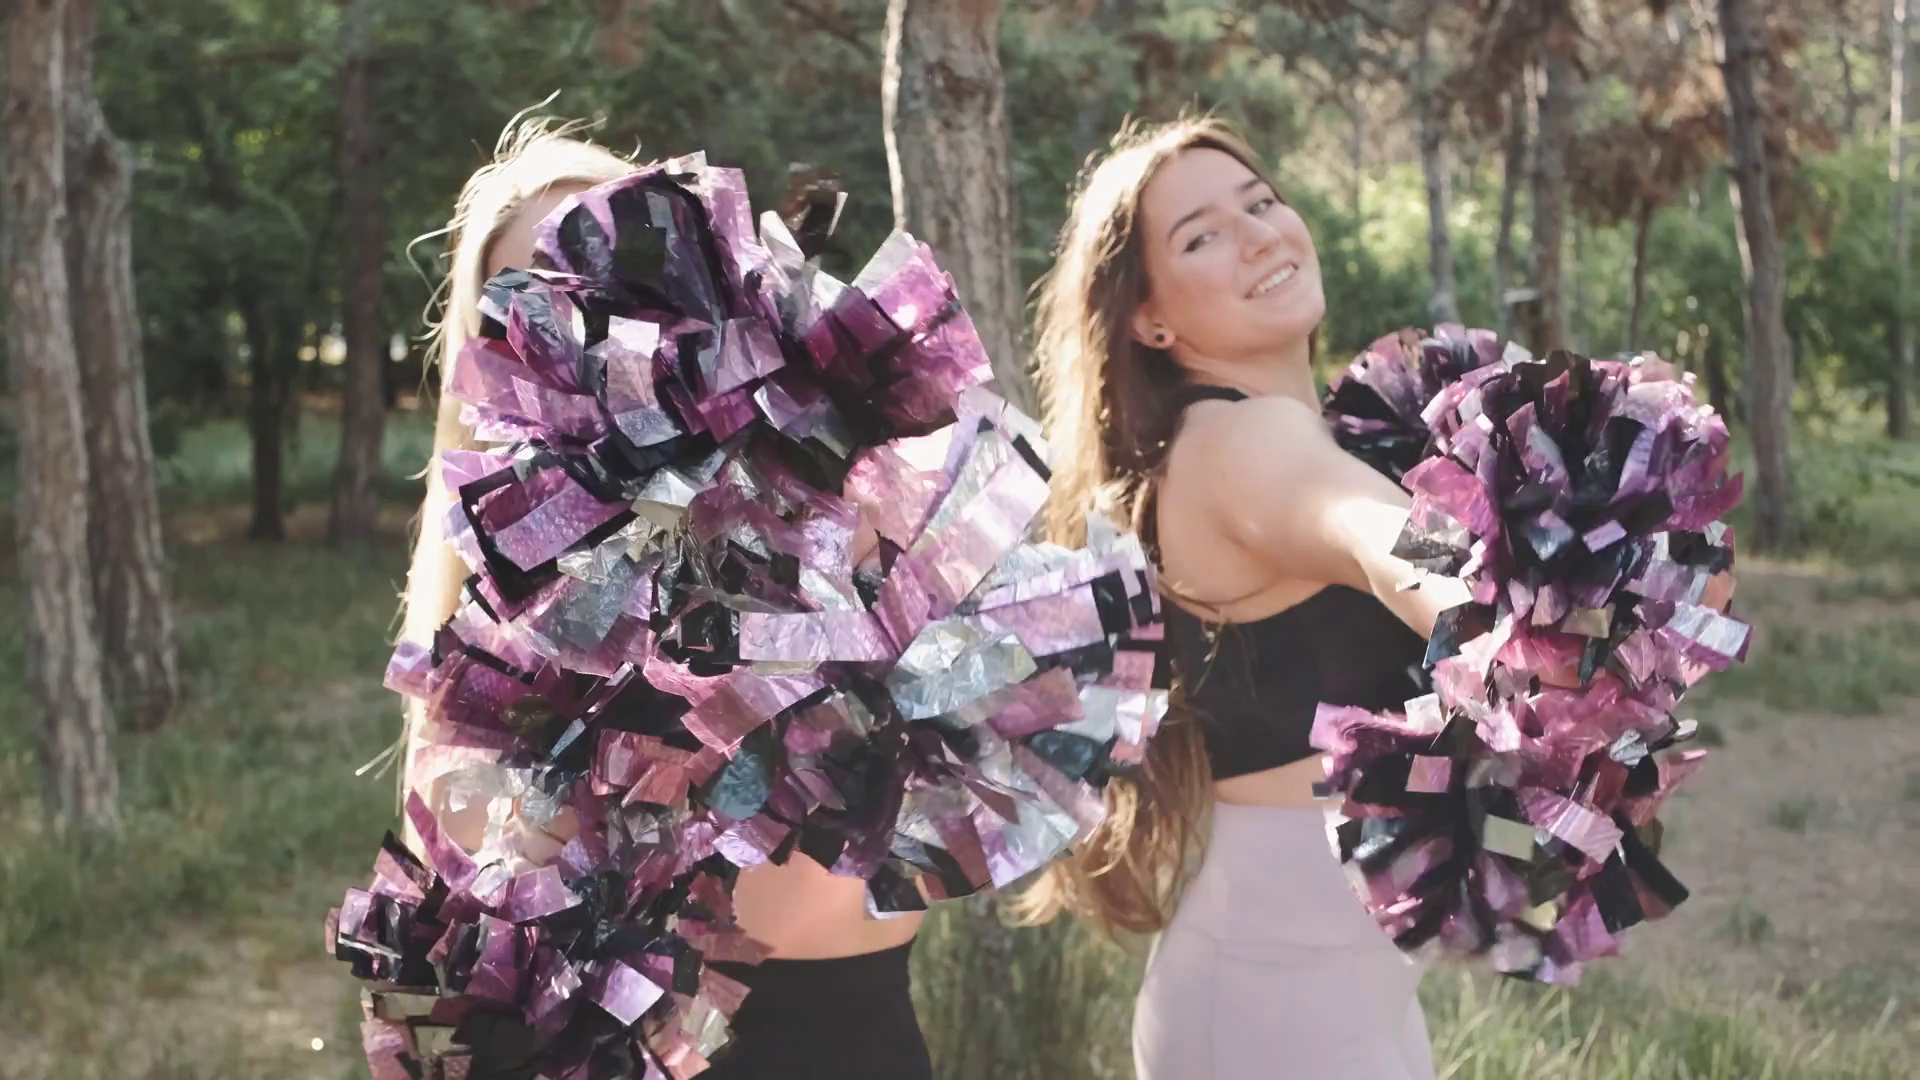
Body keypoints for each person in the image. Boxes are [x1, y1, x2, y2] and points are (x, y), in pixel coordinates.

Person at [393, 114, 931, 1079]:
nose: (593, 322)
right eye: (540, 298)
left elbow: (913, 830)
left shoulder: (846, 497)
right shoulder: (500, 614)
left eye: (617, 263)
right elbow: (483, 897)